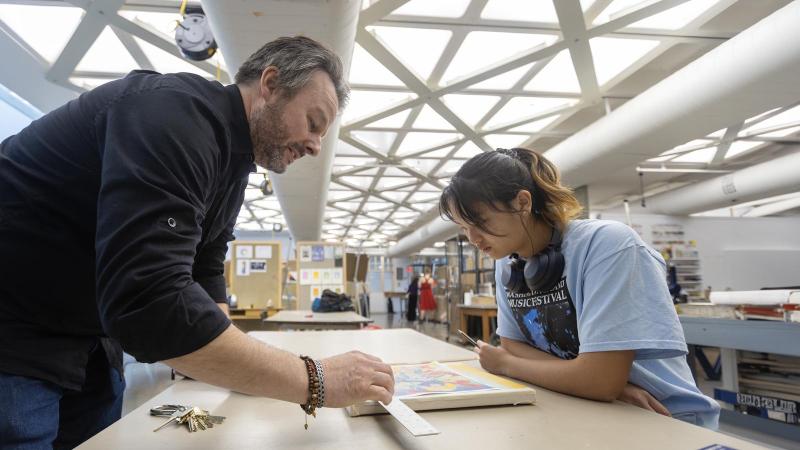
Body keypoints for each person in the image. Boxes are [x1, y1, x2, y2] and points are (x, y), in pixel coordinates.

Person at [0, 36, 394, 449]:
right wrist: (313, 379)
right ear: (271, 83)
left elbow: (205, 266)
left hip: (86, 340)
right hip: (15, 332)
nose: (316, 145)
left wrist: (230, 357)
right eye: (313, 122)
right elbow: (151, 299)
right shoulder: (173, 115)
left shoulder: (232, 164)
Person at [438, 148, 720, 429]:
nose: (473, 238)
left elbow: (599, 380)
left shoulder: (608, 245)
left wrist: (505, 365)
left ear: (523, 202)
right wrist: (590, 380)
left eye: (481, 222)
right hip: (587, 404)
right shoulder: (507, 263)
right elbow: (513, 344)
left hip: (661, 418)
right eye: (464, 228)